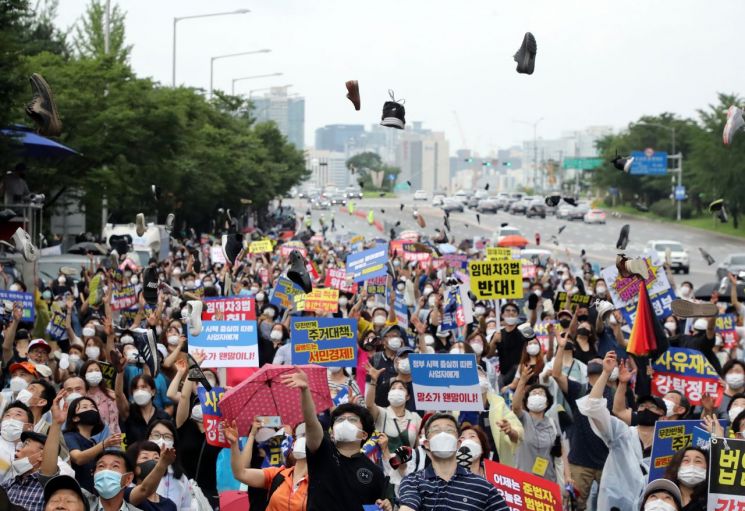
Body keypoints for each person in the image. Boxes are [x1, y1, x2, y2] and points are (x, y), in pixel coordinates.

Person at [281, 369, 392, 511]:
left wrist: (386, 506)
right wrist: (305, 391)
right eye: (340, 420)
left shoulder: (374, 472)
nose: (345, 423)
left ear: (364, 435)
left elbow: (377, 504)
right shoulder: (322, 451)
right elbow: (311, 422)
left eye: (352, 420)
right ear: (332, 432)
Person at [578, 351, 666, 510]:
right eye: (642, 406)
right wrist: (605, 373)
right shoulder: (621, 434)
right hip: (615, 505)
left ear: (663, 417)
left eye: (652, 406)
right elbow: (593, 407)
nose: (646, 408)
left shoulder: (670, 446)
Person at [398, 413, 508, 511]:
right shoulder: (413, 481)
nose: (443, 435)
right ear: (427, 444)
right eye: (436, 430)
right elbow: (408, 505)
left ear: (459, 443)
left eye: (449, 430)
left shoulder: (484, 487)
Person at [225, 418, 308, 511]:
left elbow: (295, 461)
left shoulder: (286, 467)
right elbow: (240, 472)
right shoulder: (275, 473)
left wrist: (287, 438)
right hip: (257, 503)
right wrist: (249, 436)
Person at [511, 364, 561, 482]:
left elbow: (560, 453)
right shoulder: (523, 418)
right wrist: (522, 381)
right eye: (534, 393)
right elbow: (516, 406)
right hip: (524, 481)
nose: (537, 395)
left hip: (547, 482)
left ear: (547, 402)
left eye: (541, 393)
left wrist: (567, 476)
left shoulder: (552, 423)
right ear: (527, 401)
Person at [63, 396, 121, 493]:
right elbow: (78, 458)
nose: (91, 409)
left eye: (93, 407)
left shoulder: (93, 443)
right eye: (85, 407)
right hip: (77, 493)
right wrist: (104, 444)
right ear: (75, 418)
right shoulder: (69, 436)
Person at [364, 369, 421, 452]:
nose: (396, 391)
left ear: (407, 396)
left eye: (401, 388)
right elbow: (369, 405)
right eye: (393, 388)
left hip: (408, 463)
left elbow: (420, 442)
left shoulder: (414, 417)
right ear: (388, 395)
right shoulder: (381, 412)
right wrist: (373, 381)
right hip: (383, 462)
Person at [145, 420, 192, 510]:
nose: (161, 440)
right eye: (156, 435)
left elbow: (186, 507)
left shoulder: (181, 478)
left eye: (167, 437)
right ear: (148, 438)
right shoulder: (138, 470)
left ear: (174, 443)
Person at [123, 441, 178, 511]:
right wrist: (162, 463)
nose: (152, 461)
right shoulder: (126, 494)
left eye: (156, 458)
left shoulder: (170, 505)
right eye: (145, 457)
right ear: (134, 467)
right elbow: (145, 490)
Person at [122, 375, 171, 445]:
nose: (139, 391)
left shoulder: (163, 416)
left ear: (153, 391)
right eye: (136, 388)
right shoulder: (129, 413)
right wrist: (120, 373)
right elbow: (119, 395)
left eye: (143, 387)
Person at [662, 447, 708, 511]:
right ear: (676, 466)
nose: (692, 465)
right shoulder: (662, 499)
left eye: (698, 461)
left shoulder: (712, 501)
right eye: (686, 460)